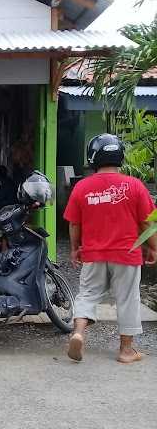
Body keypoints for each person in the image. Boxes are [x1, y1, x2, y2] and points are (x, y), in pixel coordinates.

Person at [63, 133, 157, 364]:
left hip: (93, 253)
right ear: (120, 156)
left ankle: (79, 333)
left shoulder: (82, 187)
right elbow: (147, 221)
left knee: (87, 294)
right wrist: (153, 247)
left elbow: (74, 223)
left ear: (93, 157)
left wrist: (75, 248)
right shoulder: (135, 185)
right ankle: (126, 351)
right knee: (127, 299)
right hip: (127, 253)